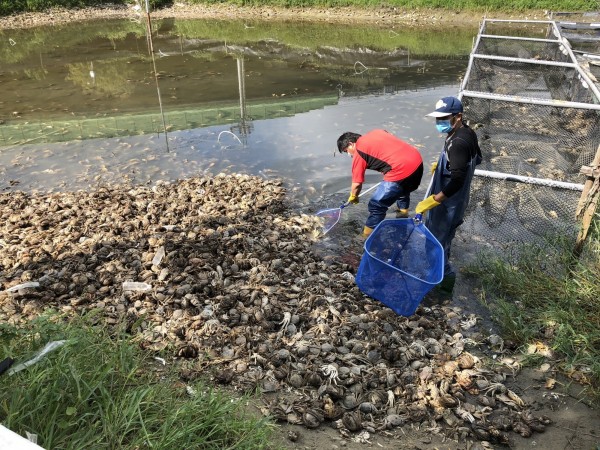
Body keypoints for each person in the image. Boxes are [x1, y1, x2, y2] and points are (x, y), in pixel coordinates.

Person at [415, 96, 482, 295]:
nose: (439, 123)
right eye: (437, 119)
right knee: (442, 239)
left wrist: (434, 200)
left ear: (458, 116)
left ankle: (443, 284)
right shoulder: (467, 131)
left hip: (449, 203)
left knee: (436, 241)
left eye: (443, 118)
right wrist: (447, 165)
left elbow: (458, 179)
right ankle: (438, 274)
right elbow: (477, 158)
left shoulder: (458, 142)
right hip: (457, 199)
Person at [337, 129, 424, 237]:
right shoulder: (377, 132)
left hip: (400, 170)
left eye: (346, 151)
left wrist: (354, 196)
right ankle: (403, 213)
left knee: (376, 205)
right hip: (417, 162)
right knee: (402, 190)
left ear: (351, 144)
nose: (349, 154)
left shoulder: (359, 151)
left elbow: (357, 183)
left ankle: (366, 236)